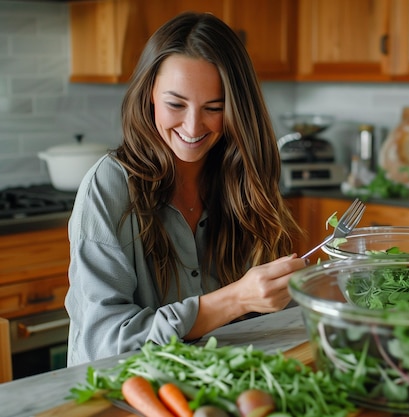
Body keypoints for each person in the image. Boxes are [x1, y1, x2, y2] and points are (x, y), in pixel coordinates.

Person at [65, 12, 307, 366]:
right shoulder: (108, 185)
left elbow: (266, 320)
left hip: (219, 387)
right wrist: (236, 299)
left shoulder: (242, 177)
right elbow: (106, 344)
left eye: (214, 108)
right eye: (175, 104)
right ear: (149, 94)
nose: (193, 126)